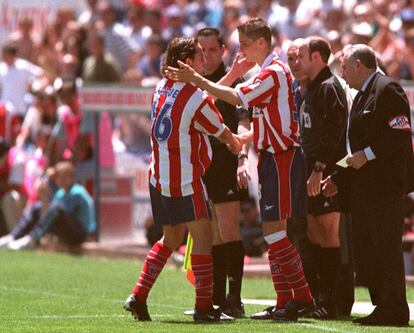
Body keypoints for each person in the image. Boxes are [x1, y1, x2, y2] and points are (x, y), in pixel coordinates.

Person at [166, 17, 314, 322]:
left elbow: (236, 97)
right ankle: (285, 299)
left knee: (274, 232)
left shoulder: (272, 73)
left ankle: (303, 297)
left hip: (282, 157)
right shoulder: (266, 73)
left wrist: (198, 80)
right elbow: (261, 120)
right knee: (273, 232)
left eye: (245, 43)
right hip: (270, 156)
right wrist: (241, 140)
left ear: (261, 43)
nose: (241, 49)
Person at [123, 37, 241, 323]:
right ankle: (203, 307)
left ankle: (138, 295)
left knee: (171, 237)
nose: (204, 61)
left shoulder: (161, 88)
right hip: (186, 178)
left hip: (160, 177)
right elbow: (218, 127)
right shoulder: (196, 97)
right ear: (187, 62)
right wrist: (235, 142)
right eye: (200, 56)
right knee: (204, 237)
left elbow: (194, 107)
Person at [324, 44, 412, 326]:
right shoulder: (362, 94)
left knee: (386, 248)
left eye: (345, 67)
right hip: (365, 187)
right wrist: (338, 177)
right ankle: (383, 305)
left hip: (385, 187)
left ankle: (395, 309)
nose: (342, 73)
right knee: (371, 250)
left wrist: (369, 154)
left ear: (359, 65)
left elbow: (399, 134)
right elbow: (354, 148)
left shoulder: (387, 89)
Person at [196, 27, 249, 317]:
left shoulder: (235, 80)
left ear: (223, 50)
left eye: (212, 50)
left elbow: (244, 122)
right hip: (203, 162)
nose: (206, 55)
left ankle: (235, 299)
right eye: (201, 50)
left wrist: (242, 158)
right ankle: (215, 298)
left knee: (228, 228)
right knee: (212, 232)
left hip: (225, 159)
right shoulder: (196, 79)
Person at [296, 36, 348, 319]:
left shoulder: (330, 87)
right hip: (310, 170)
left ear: (316, 57)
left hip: (325, 172)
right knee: (313, 233)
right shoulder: (311, 89)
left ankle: (332, 302)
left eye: (301, 55)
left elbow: (336, 133)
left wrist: (321, 168)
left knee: (328, 234)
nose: (297, 61)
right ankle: (318, 298)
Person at [5, 161, 96, 250]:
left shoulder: (77, 193)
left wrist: (45, 197)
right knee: (38, 207)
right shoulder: (60, 193)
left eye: (64, 176)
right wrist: (43, 197)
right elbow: (49, 215)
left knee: (55, 209)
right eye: (58, 176)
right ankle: (14, 236)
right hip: (68, 231)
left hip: (80, 235)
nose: (60, 179)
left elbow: (60, 215)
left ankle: (32, 239)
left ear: (71, 177)